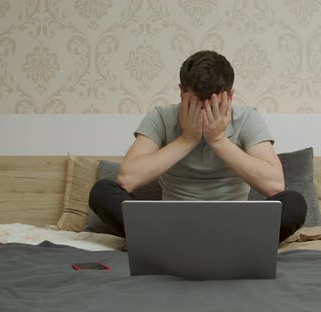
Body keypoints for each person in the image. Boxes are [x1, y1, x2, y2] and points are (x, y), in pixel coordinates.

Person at [89, 50, 307, 243]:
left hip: (234, 227)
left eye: (213, 105)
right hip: (170, 227)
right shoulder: (161, 117)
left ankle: (228, 247)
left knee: (294, 204)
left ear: (230, 97)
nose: (204, 114)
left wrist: (218, 140)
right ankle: (170, 245)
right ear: (181, 92)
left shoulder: (247, 119)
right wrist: (187, 139)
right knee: (103, 191)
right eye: (195, 104)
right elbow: (127, 178)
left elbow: (275, 184)